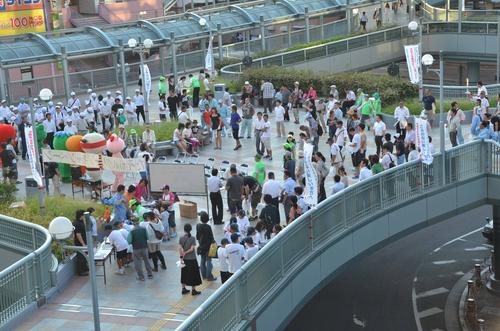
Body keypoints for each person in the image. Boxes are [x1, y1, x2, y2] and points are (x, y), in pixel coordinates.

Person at [179, 223, 202, 295]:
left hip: (185, 259)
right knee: (193, 274)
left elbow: (179, 248)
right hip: (192, 259)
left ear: (184, 229)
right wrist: (186, 252)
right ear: (190, 229)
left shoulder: (181, 238)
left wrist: (181, 256)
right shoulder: (192, 238)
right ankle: (193, 290)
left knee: (184, 273)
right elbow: (192, 249)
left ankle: (183, 289)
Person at [196, 211, 217, 281]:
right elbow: (211, 238)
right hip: (208, 247)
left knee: (202, 261)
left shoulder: (198, 226)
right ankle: (209, 276)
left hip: (201, 246)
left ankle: (204, 276)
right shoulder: (208, 227)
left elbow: (197, 236)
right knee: (209, 261)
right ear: (207, 219)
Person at [73, 210, 89, 276]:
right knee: (81, 257)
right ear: (81, 215)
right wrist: (83, 243)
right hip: (80, 243)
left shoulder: (81, 222)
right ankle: (81, 271)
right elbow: (78, 234)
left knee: (84, 256)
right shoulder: (77, 223)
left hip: (84, 241)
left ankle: (85, 268)